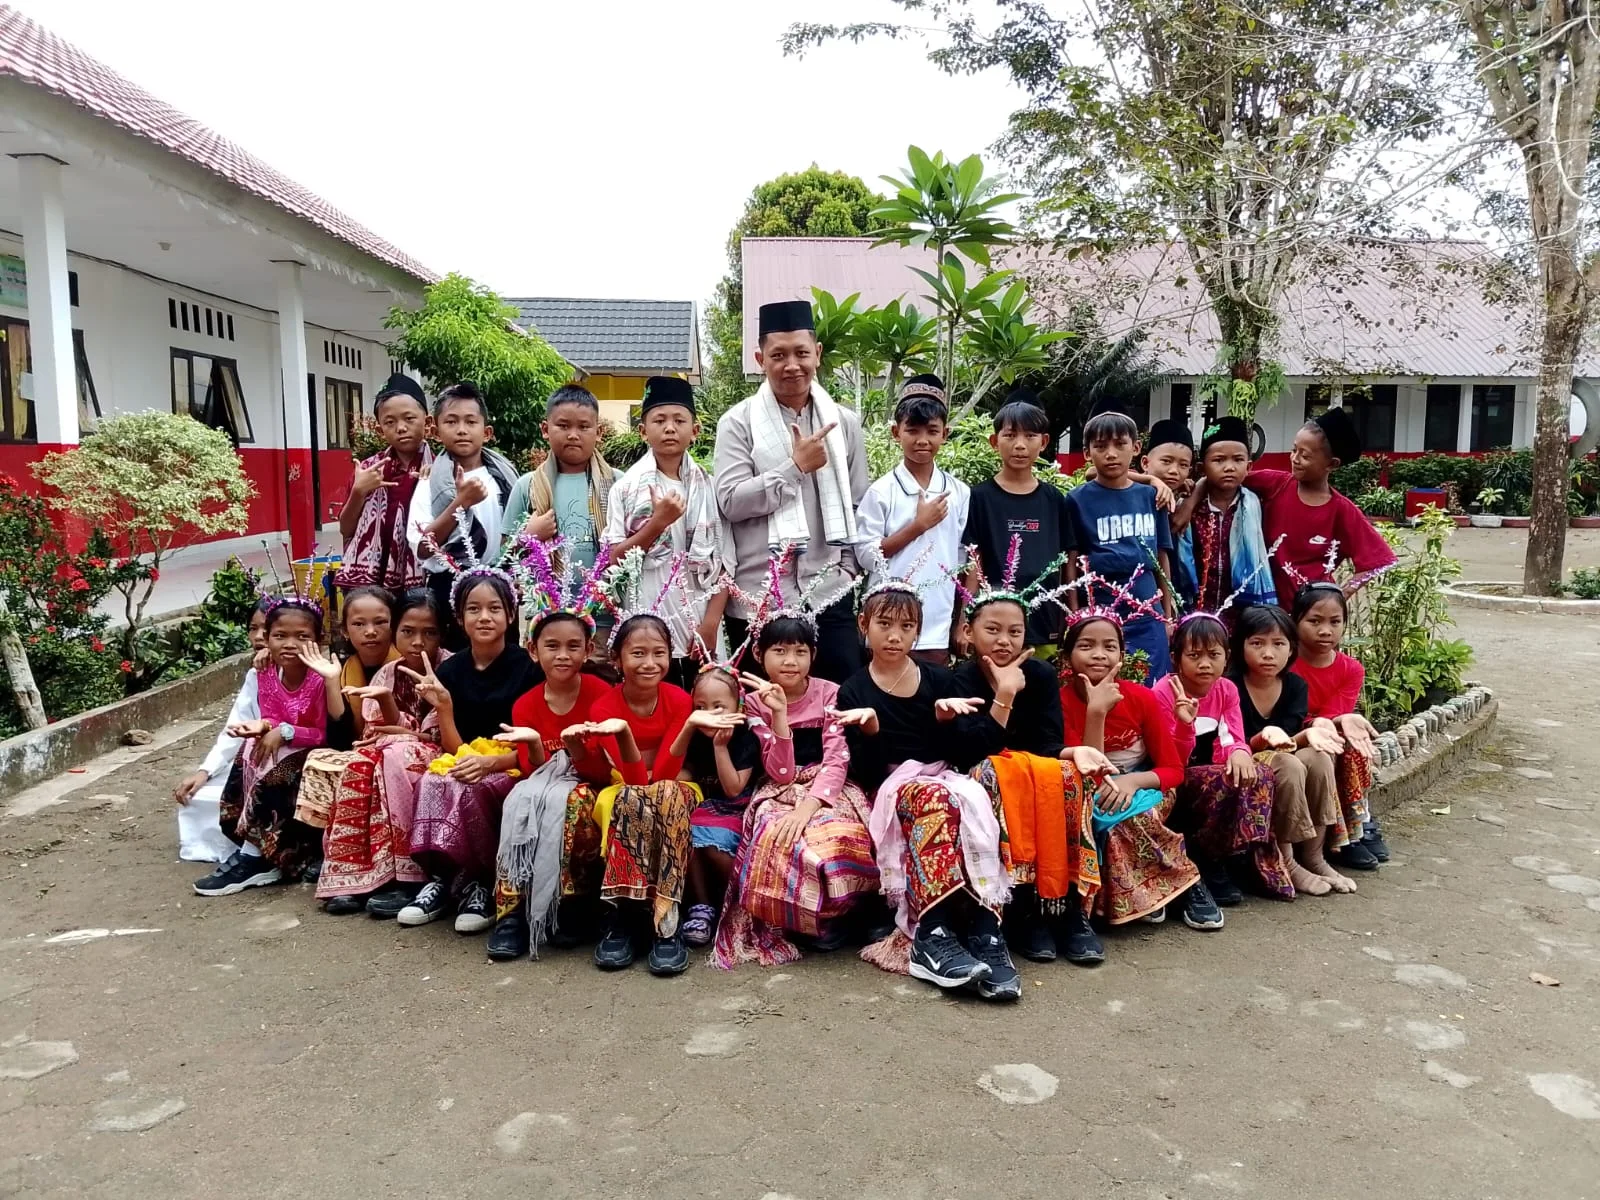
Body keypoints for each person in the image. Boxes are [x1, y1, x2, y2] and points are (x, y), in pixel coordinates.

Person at [835, 585, 1021, 1001]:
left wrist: (945, 723)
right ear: (864, 625)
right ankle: (931, 934)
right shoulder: (854, 690)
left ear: (918, 632)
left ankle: (987, 931)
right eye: (884, 624)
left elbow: (970, 752)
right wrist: (871, 731)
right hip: (895, 787)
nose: (894, 636)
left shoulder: (939, 679)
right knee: (934, 799)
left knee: (980, 797)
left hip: (945, 776)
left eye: (906, 626)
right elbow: (867, 772)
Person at [950, 587, 1112, 966]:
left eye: (1015, 631)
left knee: (1070, 775)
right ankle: (1023, 907)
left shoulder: (1040, 674)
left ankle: (1065, 905)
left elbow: (1047, 743)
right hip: (985, 773)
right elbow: (969, 753)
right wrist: (1004, 695)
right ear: (969, 631)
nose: (1004, 641)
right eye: (993, 630)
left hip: (1035, 770)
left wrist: (1075, 753)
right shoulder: (959, 680)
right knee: (993, 774)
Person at [714, 299, 869, 682]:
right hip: (759, 596)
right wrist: (795, 467)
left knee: (838, 701)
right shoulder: (737, 423)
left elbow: (858, 503)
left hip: (829, 591)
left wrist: (847, 569)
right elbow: (730, 501)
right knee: (759, 708)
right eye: (778, 355)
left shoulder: (843, 423)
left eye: (801, 353)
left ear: (817, 353)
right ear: (760, 359)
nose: (792, 365)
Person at [711, 615, 878, 968]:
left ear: (813, 655)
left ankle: (840, 915)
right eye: (780, 651)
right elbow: (781, 772)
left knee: (838, 832)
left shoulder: (831, 693)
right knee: (778, 834)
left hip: (828, 785)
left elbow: (837, 758)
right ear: (759, 654)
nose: (790, 661)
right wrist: (779, 714)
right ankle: (795, 920)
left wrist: (809, 806)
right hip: (778, 788)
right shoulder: (753, 703)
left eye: (800, 651)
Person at [579, 613, 726, 976]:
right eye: (638, 653)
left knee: (667, 795)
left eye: (659, 653)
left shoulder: (678, 699)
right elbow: (632, 779)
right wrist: (624, 734)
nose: (649, 663)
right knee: (630, 800)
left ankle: (666, 919)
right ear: (617, 659)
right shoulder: (603, 707)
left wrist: (687, 726)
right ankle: (626, 915)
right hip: (621, 788)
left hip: (675, 786)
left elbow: (663, 774)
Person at [400, 570, 538, 933]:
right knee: (432, 782)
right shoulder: (451, 669)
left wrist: (492, 762)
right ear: (460, 618)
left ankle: (482, 883)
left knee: (474, 789)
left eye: (495, 608)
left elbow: (537, 745)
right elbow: (454, 747)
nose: (484, 617)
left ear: (511, 614)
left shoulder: (529, 667)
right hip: (467, 757)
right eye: (474, 609)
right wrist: (444, 708)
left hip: (514, 763)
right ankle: (443, 879)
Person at [1057, 614, 1212, 929]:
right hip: (1092, 789)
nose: (1099, 654)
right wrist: (1096, 712)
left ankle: (1187, 883)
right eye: (1086, 646)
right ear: (1066, 657)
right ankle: (1158, 892)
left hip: (1145, 784)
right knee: (1107, 819)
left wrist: (1131, 782)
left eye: (1109, 646)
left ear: (1121, 656)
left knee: (1134, 817)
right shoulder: (1060, 703)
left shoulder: (1141, 697)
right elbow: (1088, 773)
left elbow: (1173, 770)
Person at [486, 605, 616, 961]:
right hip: (543, 785)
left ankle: (569, 905)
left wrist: (576, 750)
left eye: (573, 646)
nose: (562, 655)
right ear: (533, 650)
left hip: (589, 785)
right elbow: (532, 770)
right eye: (552, 646)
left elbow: (603, 772)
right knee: (520, 800)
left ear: (588, 650)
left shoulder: (601, 695)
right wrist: (532, 743)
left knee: (572, 802)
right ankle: (511, 912)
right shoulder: (525, 704)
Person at [314, 590, 449, 917]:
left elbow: (439, 733)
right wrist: (389, 710)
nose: (417, 642)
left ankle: (407, 875)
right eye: (408, 632)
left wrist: (401, 729)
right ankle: (355, 873)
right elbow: (377, 731)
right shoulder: (387, 673)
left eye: (429, 633)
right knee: (360, 764)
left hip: (439, 752)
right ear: (395, 632)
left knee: (393, 757)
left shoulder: (451, 667)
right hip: (392, 749)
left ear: (442, 634)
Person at [191, 596, 327, 896]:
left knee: (276, 766)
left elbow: (321, 732)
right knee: (250, 749)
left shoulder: (320, 678)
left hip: (312, 749)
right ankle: (256, 850)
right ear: (267, 638)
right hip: (284, 745)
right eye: (280, 636)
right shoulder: (265, 672)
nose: (290, 644)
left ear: (319, 639)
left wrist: (283, 731)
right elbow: (272, 716)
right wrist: (262, 726)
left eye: (302, 637)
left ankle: (256, 858)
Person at [1156, 614, 1293, 905]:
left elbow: (1233, 736)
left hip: (1214, 772)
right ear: (1176, 658)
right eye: (1194, 655)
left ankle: (1248, 856)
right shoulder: (1165, 693)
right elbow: (1169, 759)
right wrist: (1184, 724)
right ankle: (1208, 861)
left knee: (1260, 773)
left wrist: (1240, 753)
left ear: (1226, 657)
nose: (1205, 664)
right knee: (1222, 779)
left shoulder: (1226, 689)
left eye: (1214, 655)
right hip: (1177, 779)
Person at [602, 376, 727, 687]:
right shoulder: (625, 489)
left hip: (698, 624)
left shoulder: (710, 488)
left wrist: (710, 625)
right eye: (659, 420)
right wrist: (658, 522)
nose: (669, 428)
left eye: (679, 420)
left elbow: (725, 564)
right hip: (646, 625)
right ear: (643, 431)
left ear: (695, 430)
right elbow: (614, 561)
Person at [1228, 604, 1355, 896]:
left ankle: (1314, 856)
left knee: (1318, 758)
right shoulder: (1230, 686)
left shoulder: (1295, 685)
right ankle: (1286, 860)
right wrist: (1264, 738)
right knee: (1289, 764)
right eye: (1257, 643)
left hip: (1283, 749)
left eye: (1278, 644)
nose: (1268, 653)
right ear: (1240, 646)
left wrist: (1309, 735)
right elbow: (1235, 740)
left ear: (1291, 648)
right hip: (1243, 758)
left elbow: (1288, 738)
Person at [1233, 406, 1396, 609]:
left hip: (1311, 617)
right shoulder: (1275, 485)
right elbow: (1226, 480)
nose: (1295, 459)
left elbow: (1380, 561)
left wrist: (1337, 597)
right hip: (1268, 612)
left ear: (1332, 464)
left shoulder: (1341, 510)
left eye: (1305, 456)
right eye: (1294, 450)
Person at [856, 375, 969, 664]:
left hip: (936, 624)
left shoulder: (959, 492)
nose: (922, 440)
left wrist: (961, 619)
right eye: (912, 430)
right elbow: (866, 556)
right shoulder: (881, 492)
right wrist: (917, 527)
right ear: (896, 432)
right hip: (886, 626)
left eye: (932, 431)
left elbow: (963, 560)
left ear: (945, 434)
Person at [1064, 402, 1176, 681]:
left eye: (1120, 444)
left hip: (1148, 612)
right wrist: (1076, 614)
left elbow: (1161, 558)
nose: (1111, 454)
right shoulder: (1077, 500)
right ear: (1087, 453)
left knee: (1153, 687)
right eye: (1101, 446)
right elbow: (1071, 560)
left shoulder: (1152, 497)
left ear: (1136, 448)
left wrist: (1166, 615)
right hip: (1100, 612)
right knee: (1104, 685)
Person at [959, 393, 1074, 654]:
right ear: (994, 441)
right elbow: (974, 561)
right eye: (1010, 436)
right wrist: (965, 616)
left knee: (1041, 678)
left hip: (1045, 621)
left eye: (1030, 436)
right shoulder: (979, 498)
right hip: (994, 625)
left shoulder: (1054, 499)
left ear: (1044, 442)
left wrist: (1071, 613)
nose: (1020, 445)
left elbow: (1068, 558)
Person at [407, 383, 520, 649]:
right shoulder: (430, 482)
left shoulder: (506, 478)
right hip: (450, 587)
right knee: (454, 659)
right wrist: (461, 503)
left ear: (487, 432)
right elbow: (423, 548)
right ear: (435, 431)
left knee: (505, 657)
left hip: (501, 584)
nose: (461, 430)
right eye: (451, 421)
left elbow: (519, 532)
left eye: (471, 421)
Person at [291, 587, 398, 863]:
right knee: (319, 759)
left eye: (380, 622)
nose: (370, 631)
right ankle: (326, 850)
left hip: (395, 751)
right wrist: (331, 681)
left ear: (393, 624)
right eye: (359, 624)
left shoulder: (402, 664)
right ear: (345, 631)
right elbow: (340, 740)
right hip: (358, 750)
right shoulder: (345, 668)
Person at [1290, 582, 1386, 871]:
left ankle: (1354, 830)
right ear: (1296, 621)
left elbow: (1333, 713)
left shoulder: (1351, 669)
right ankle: (1337, 837)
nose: (1325, 631)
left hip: (1328, 731)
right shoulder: (1285, 664)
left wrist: (1334, 721)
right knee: (1326, 752)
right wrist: (1318, 724)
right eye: (1314, 621)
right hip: (1294, 735)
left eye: (1335, 622)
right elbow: (1288, 715)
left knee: (1352, 748)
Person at [172, 599, 272, 863]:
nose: (258, 637)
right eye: (253, 628)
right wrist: (205, 771)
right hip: (253, 759)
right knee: (200, 796)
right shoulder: (255, 675)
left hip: (283, 759)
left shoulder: (304, 671)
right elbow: (234, 728)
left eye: (267, 628)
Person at [679, 668, 761, 947]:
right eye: (700, 707)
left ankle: (740, 905)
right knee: (686, 838)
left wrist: (720, 747)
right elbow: (683, 773)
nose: (709, 714)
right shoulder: (695, 735)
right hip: (706, 806)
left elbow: (733, 788)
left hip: (737, 808)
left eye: (719, 706)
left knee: (715, 847)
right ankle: (701, 907)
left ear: (738, 705)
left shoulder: (746, 738)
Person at [1171, 416, 1277, 626]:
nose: (1229, 467)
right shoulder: (1187, 508)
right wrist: (1190, 501)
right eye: (1219, 460)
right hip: (1195, 610)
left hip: (1242, 612)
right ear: (1202, 468)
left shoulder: (1255, 504)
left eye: (1238, 460)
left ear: (1249, 466)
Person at [335, 374, 433, 594]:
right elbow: (345, 529)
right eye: (390, 422)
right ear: (380, 430)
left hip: (421, 584)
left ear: (427, 423)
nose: (401, 428)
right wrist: (359, 491)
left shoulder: (439, 469)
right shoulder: (368, 470)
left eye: (409, 418)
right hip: (371, 583)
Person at [1139, 417, 1198, 606]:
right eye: (1166, 461)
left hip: (1176, 590)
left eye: (1183, 465)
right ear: (1145, 463)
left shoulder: (1181, 495)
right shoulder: (1133, 492)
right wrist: (1151, 480)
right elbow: (1092, 473)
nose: (1174, 471)